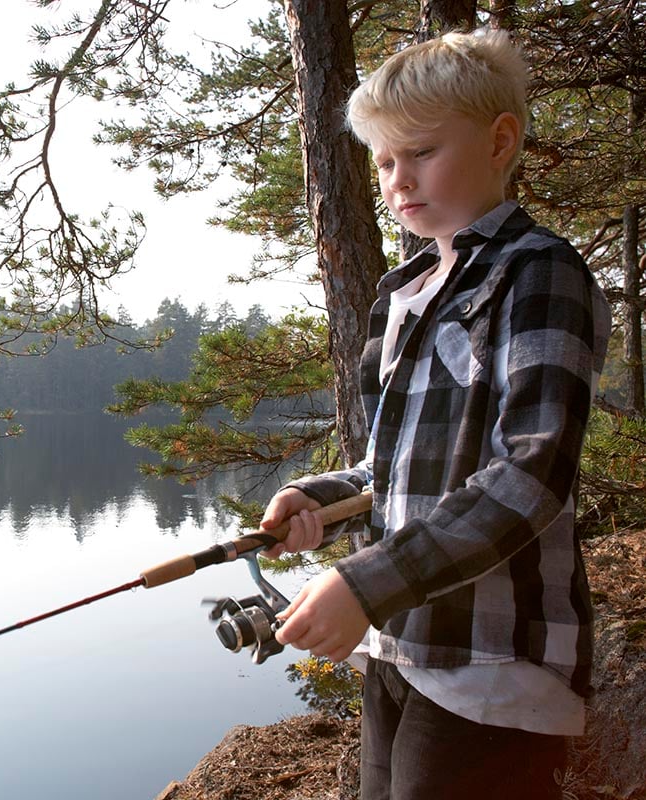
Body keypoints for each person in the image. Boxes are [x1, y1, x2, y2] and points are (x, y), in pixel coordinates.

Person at [258, 28, 611, 800]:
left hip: (494, 668)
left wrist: (364, 584)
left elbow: (531, 474)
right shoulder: (403, 291)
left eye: (419, 152)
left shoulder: (539, 273)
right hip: (398, 644)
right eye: (384, 162)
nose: (397, 179)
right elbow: (392, 468)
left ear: (500, 141)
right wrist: (318, 500)